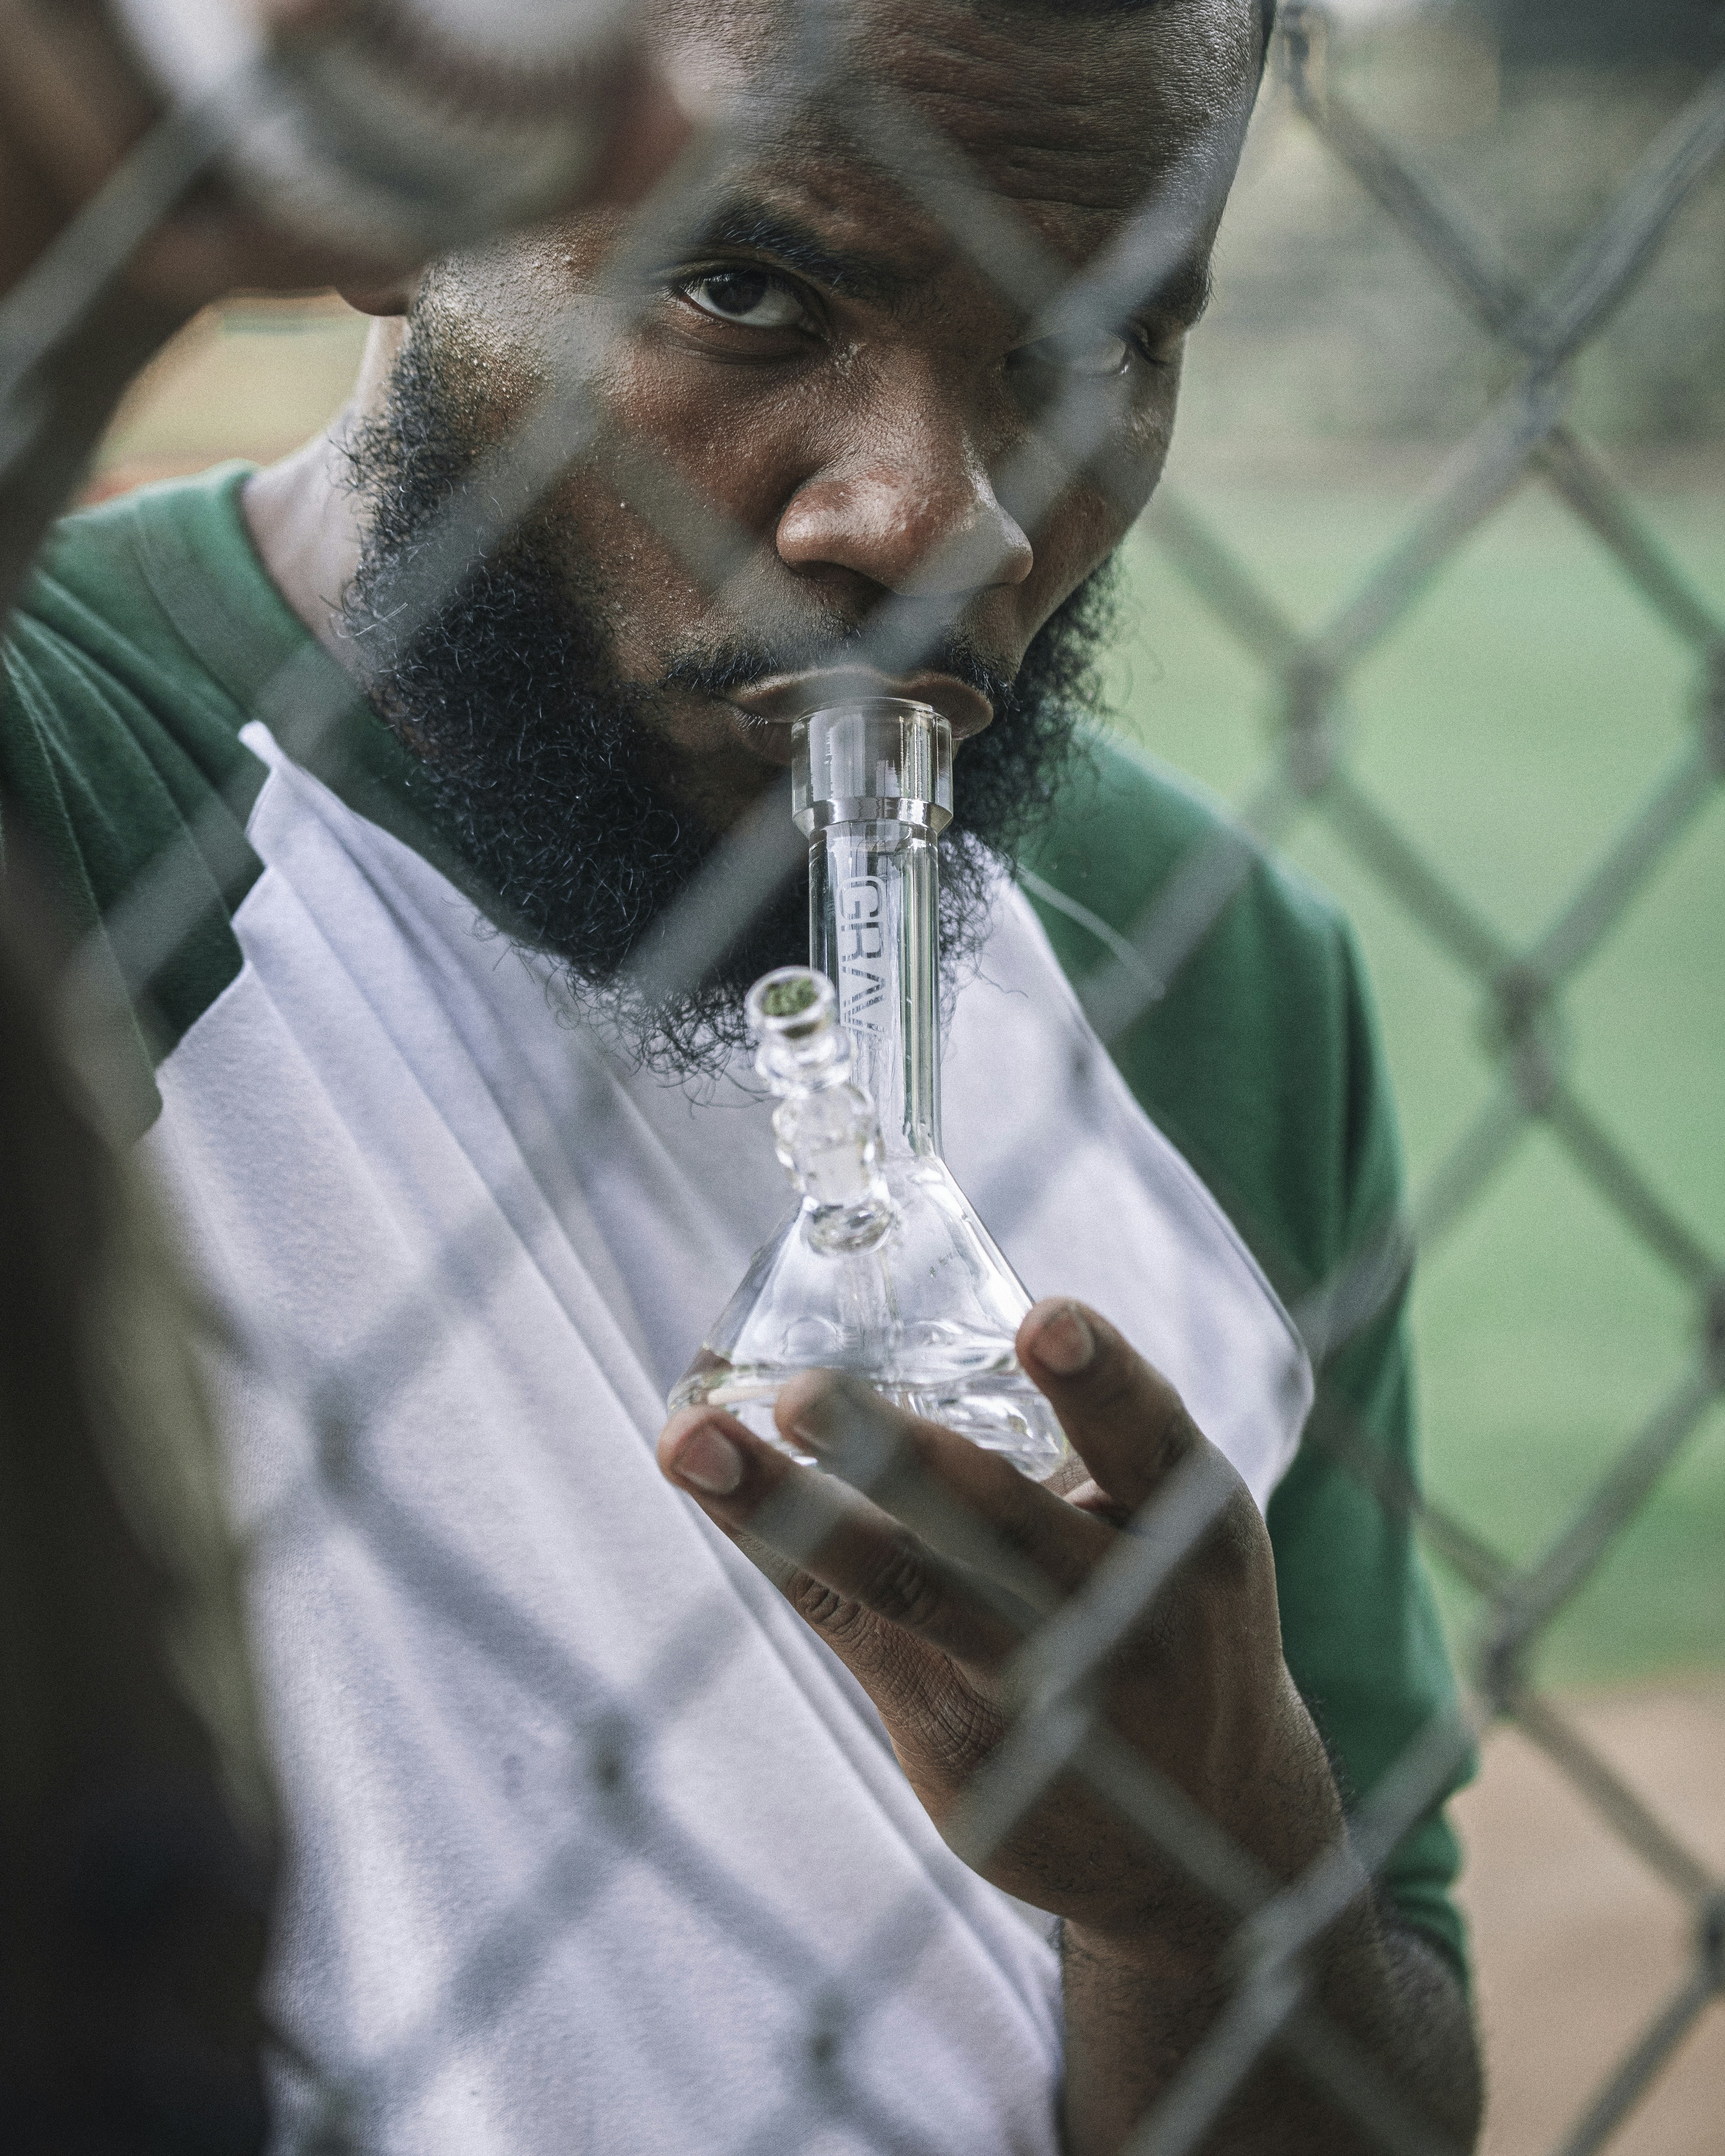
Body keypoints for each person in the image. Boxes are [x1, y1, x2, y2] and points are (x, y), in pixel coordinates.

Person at [0, 0, 1483, 2149]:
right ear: (424, 210)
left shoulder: (1219, 977)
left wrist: (1206, 1899)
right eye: (750, 291)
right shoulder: (71, 796)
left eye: (1082, 357)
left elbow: (1382, 2075)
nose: (941, 519)